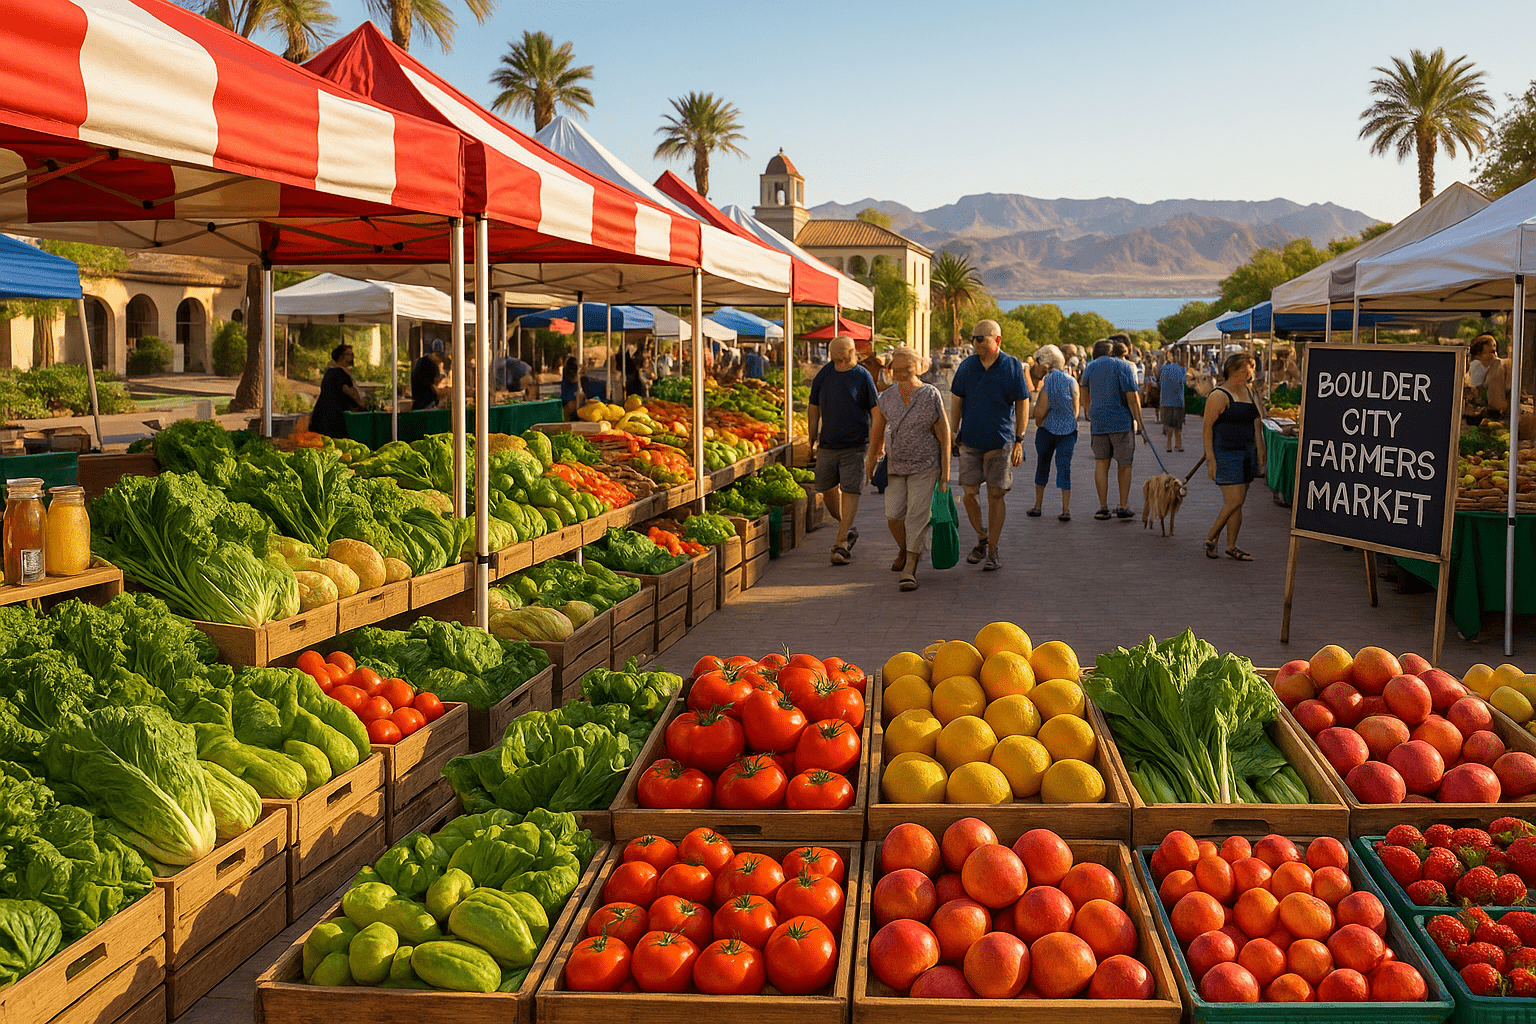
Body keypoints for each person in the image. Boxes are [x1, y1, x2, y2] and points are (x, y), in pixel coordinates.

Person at [865, 345, 950, 592]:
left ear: (918, 369)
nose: (902, 374)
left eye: (908, 369)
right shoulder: (887, 397)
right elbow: (877, 434)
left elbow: (944, 434)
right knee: (893, 515)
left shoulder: (931, 394)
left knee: (917, 516)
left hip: (926, 465)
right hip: (896, 465)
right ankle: (905, 547)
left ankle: (910, 567)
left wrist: (945, 474)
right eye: (897, 369)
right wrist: (870, 464)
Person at [950, 319, 1031, 570]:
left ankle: (993, 550)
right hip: (970, 440)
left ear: (996, 340)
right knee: (969, 494)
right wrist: (953, 432)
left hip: (1000, 440)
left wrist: (1020, 439)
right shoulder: (967, 366)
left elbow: (1022, 402)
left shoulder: (1011, 366)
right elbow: (956, 401)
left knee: (996, 494)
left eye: (980, 338)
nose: (975, 343)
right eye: (973, 338)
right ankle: (981, 537)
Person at [808, 335, 879, 565]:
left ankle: (840, 544)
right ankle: (846, 527)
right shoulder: (824, 375)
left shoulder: (862, 376)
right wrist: (811, 439)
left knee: (850, 490)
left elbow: (875, 411)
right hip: (827, 444)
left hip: (855, 445)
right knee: (826, 489)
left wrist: (878, 444)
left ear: (848, 353)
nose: (839, 362)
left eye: (841, 357)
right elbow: (813, 408)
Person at [1203, 352, 1267, 561]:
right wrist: (1211, 460)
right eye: (1251, 368)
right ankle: (1211, 537)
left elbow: (1257, 426)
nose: (1253, 373)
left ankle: (1231, 546)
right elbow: (1207, 429)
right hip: (1226, 453)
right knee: (1234, 500)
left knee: (1238, 503)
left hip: (1247, 454)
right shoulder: (1219, 395)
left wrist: (1261, 455)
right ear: (1238, 370)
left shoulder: (1250, 392)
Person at [1080, 338, 1143, 520]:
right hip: (1121, 422)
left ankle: (1102, 507)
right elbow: (1132, 397)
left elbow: (1084, 389)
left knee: (1102, 462)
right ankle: (1123, 505)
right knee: (1124, 464)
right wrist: (1139, 422)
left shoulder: (1090, 367)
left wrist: (1087, 410)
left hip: (1098, 422)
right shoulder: (1122, 366)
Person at [1027, 344, 1079, 522]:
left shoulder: (1049, 380)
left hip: (1047, 431)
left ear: (1046, 363)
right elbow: (1076, 411)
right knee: (1064, 467)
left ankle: (1038, 505)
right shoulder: (1072, 380)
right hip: (1068, 431)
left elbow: (1040, 411)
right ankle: (1065, 509)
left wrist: (1038, 420)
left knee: (1042, 466)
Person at [310, 343, 364, 438]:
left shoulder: (335, 371)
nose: (352, 356)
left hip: (327, 416)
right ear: (341, 356)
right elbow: (349, 392)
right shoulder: (337, 372)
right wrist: (360, 403)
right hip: (331, 417)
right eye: (349, 354)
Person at [1159, 352, 1188, 452]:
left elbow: (1160, 382)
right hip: (1178, 401)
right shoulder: (1182, 370)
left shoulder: (1163, 369)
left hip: (1166, 401)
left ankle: (1168, 445)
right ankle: (1178, 444)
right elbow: (1185, 382)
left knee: (1169, 424)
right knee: (1178, 425)